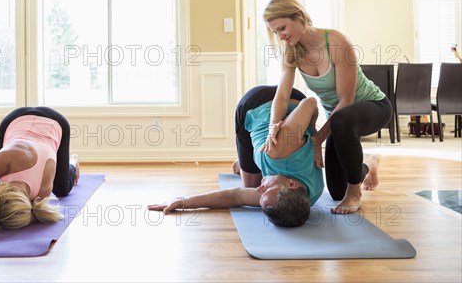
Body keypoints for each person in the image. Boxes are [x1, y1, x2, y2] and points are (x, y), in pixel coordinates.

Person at [149, 86, 380, 227]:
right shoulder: (281, 150)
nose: (260, 190)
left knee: (248, 183)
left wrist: (183, 202)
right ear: (291, 184)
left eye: (263, 197)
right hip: (260, 103)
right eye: (266, 191)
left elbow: (236, 196)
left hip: (283, 139)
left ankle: (371, 163)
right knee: (255, 174)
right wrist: (315, 137)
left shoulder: (294, 201)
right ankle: (246, 161)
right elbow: (310, 103)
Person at [262, 0, 391, 214]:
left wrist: (317, 140)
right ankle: (370, 164)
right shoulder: (291, 52)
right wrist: (272, 126)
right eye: (275, 32)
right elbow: (282, 95)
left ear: (299, 16)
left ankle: (355, 194)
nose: (281, 36)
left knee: (342, 120)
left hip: (373, 106)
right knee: (336, 190)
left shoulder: (337, 43)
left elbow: (346, 101)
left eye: (282, 28)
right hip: (339, 120)